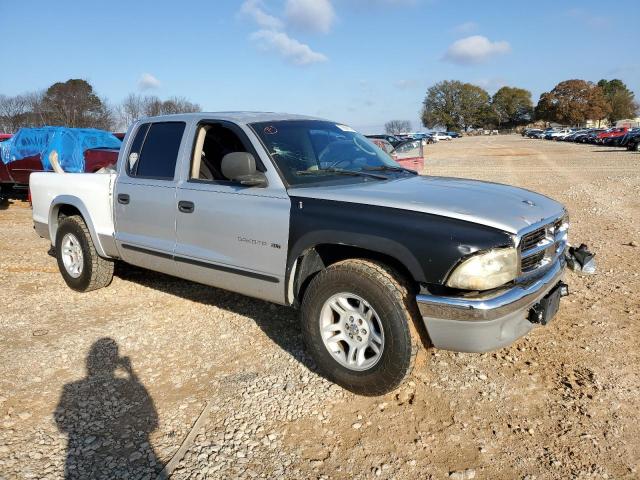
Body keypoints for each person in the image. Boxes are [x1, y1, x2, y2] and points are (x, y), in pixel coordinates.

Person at [54, 338, 160, 479]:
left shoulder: (71, 389)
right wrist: (131, 373)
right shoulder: (71, 389)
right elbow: (152, 423)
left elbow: (62, 424)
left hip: (80, 459)